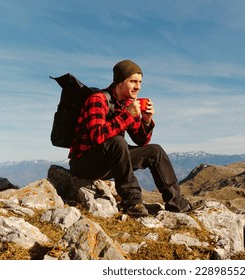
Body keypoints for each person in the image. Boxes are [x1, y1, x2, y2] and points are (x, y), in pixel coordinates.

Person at [68, 59, 204, 217]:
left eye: (140, 82)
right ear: (119, 82)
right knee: (118, 142)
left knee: (155, 151)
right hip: (84, 163)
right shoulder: (97, 100)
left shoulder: (127, 104)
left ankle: (176, 203)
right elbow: (96, 136)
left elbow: (141, 141)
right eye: (133, 81)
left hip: (110, 160)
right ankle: (133, 204)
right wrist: (128, 115)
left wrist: (146, 120)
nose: (138, 86)